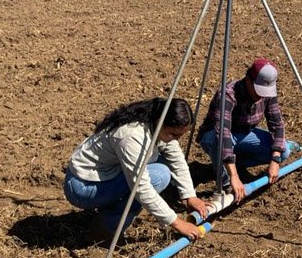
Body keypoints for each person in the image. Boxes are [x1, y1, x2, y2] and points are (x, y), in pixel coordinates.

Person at [63, 98, 208, 242]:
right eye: (173, 134)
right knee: (159, 176)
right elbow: (141, 188)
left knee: (161, 165)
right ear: (160, 121)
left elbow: (176, 158)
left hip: (105, 176)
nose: (175, 139)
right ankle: (105, 229)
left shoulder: (155, 123)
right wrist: (177, 223)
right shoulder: (131, 136)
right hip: (83, 187)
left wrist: (189, 195)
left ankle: (110, 210)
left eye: (180, 136)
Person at [197, 58, 299, 204]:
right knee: (215, 141)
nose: (261, 96)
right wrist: (234, 177)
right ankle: (227, 183)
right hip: (217, 136)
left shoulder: (268, 93)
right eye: (258, 90)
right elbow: (223, 134)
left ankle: (233, 163)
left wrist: (275, 160)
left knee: (284, 151)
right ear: (248, 80)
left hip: (245, 134)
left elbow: (277, 124)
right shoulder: (228, 94)